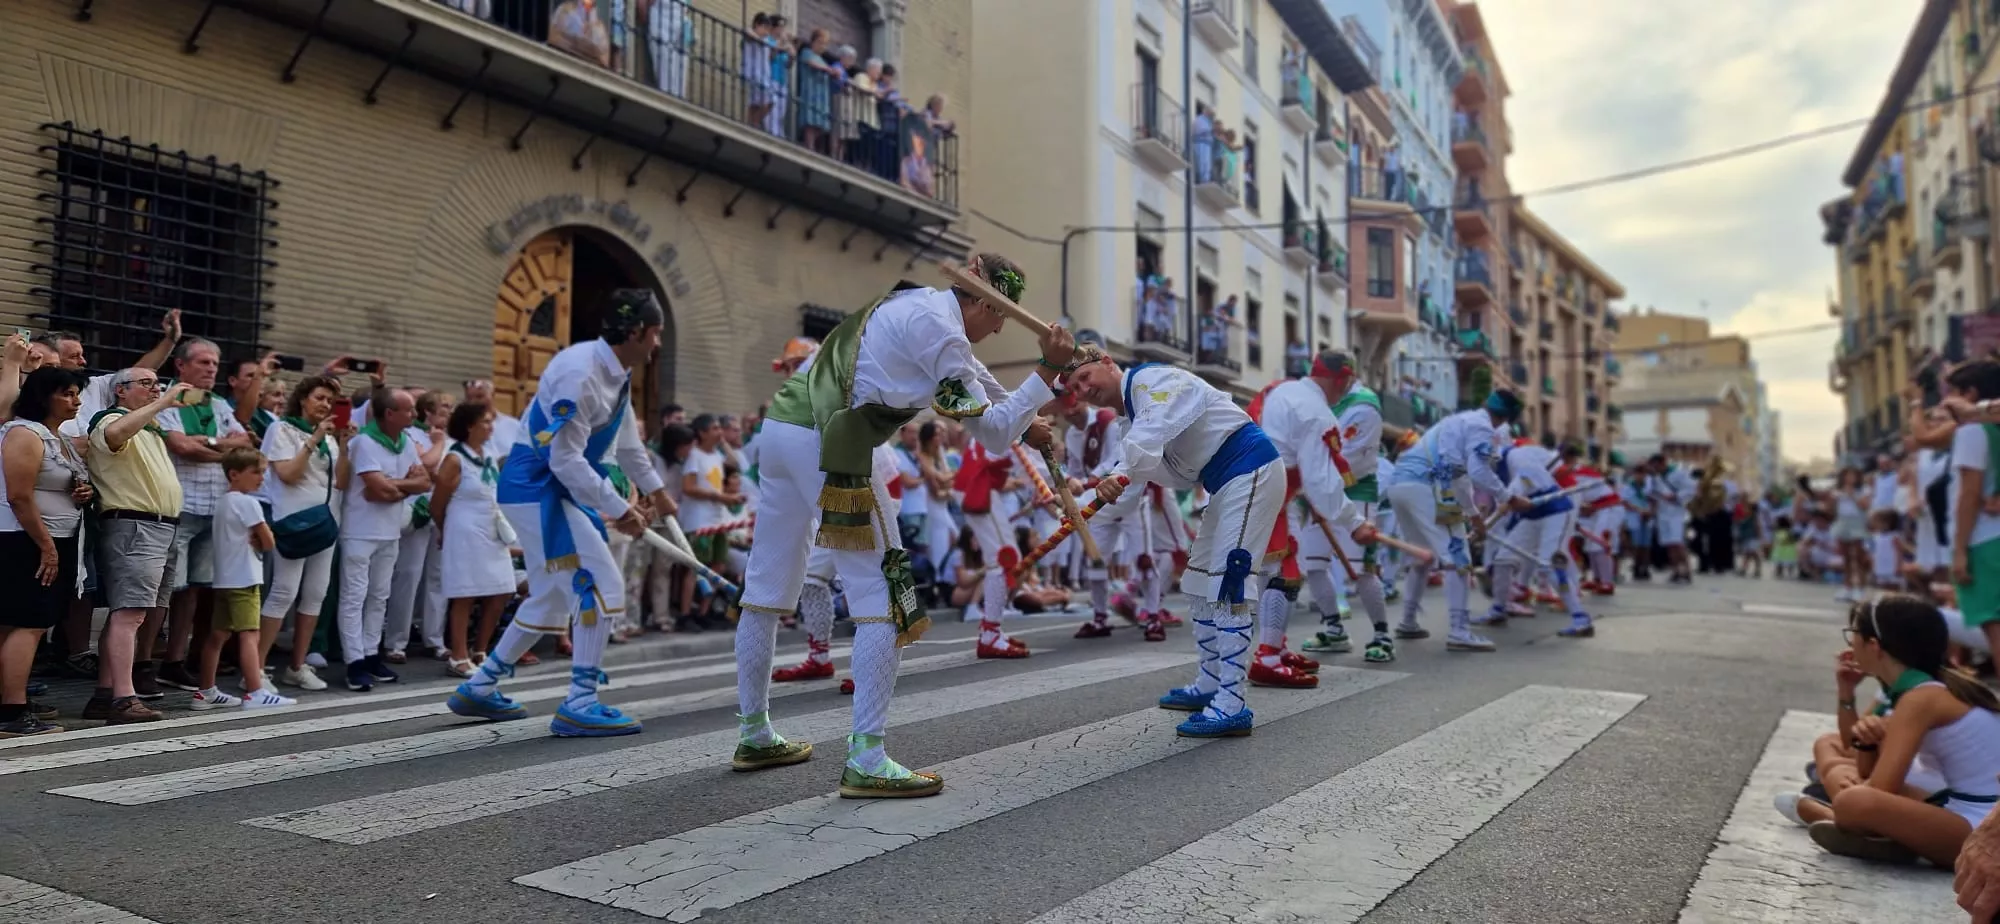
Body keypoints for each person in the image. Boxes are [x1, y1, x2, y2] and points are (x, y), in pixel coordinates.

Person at [729, 254, 1067, 798]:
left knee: (766, 586)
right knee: (886, 596)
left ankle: (754, 732)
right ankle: (867, 756)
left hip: (783, 428)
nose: (1001, 326)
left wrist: (1030, 419)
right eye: (1000, 315)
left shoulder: (915, 303)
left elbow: (992, 399)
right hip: (829, 441)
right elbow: (993, 431)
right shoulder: (944, 334)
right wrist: (1047, 370)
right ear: (983, 302)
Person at [448, 289, 673, 737]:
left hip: (552, 488)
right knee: (600, 582)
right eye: (655, 333)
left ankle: (480, 686)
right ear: (634, 332)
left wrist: (658, 493)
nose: (658, 344)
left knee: (551, 597)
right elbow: (565, 461)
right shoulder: (580, 373)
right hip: (536, 488)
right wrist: (619, 507)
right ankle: (580, 702)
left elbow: (627, 445)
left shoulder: (618, 373)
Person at [1065, 353, 1294, 737]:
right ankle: (1209, 681)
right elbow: (1129, 488)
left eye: (1085, 377)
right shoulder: (1129, 424)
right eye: (1074, 388)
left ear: (1106, 362)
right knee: (1198, 580)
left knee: (1228, 583)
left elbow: (1150, 435)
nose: (1084, 390)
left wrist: (1116, 473)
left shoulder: (1150, 381)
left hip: (1251, 468)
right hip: (1226, 482)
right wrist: (1085, 507)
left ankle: (1232, 701)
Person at [1796, 597, 2000, 868]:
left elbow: (1880, 788)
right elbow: (1873, 773)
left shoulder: (1921, 698)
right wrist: (1865, 749)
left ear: (1873, 645)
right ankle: (1887, 838)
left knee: (1853, 800)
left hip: (1983, 826)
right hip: (1964, 807)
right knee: (1845, 780)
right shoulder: (1924, 689)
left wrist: (1854, 790)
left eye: (1853, 635)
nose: (1850, 644)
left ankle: (1853, 825)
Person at [82, 372, 193, 722]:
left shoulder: (148, 428)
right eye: (145, 383)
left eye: (157, 383)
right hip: (134, 525)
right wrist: (163, 402)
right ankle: (124, 698)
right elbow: (114, 435)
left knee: (133, 612)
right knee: (130, 613)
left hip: (160, 527)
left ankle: (105, 693)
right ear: (120, 390)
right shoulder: (110, 419)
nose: (155, 387)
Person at [1384, 392, 1529, 651]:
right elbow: (1477, 471)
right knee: (1459, 558)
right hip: (1429, 487)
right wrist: (1508, 496)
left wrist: (1474, 516)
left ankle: (1408, 621)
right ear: (1506, 419)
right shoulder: (1483, 428)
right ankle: (1460, 631)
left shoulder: (1458, 421)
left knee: (1424, 557)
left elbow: (1459, 476)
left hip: (1401, 485)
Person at [155, 338, 258, 693]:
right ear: (181, 366)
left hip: (213, 508)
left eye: (215, 363)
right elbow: (181, 446)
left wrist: (208, 444)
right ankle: (142, 663)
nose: (212, 368)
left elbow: (244, 443)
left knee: (195, 591)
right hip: (180, 507)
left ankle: (174, 661)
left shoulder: (216, 403)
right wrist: (221, 446)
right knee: (167, 589)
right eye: (203, 362)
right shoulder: (167, 397)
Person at [1288, 352, 1396, 664]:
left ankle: (1381, 634)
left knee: (1360, 570)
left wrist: (1314, 479)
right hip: (1319, 493)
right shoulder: (1321, 401)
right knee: (1315, 563)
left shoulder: (1363, 406)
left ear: (1343, 378)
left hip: (1354, 491)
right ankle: (1334, 629)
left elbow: (1354, 460)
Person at [0, 368, 88, 736]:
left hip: (56, 537)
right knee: (28, 622)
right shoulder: (24, 433)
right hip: (28, 539)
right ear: (44, 396)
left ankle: (10, 699)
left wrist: (84, 492)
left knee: (23, 622)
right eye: (67, 393)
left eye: (76, 393)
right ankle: (12, 712)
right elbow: (19, 496)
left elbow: (62, 482)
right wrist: (46, 546)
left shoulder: (57, 438)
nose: (76, 400)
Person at [336, 387, 431, 692]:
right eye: (409, 410)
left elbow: (423, 482)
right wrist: (403, 486)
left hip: (390, 531)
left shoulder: (406, 442)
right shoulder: (364, 442)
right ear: (390, 414)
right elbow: (376, 490)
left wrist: (395, 484)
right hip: (359, 531)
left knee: (379, 596)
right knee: (354, 597)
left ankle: (370, 653)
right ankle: (354, 662)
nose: (414, 415)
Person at [258, 375, 344, 691]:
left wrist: (344, 447)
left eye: (330, 401)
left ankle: (297, 665)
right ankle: (254, 670)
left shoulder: (331, 439)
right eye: (320, 398)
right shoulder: (281, 429)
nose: (325, 405)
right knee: (283, 591)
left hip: (325, 524)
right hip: (292, 522)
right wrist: (314, 439)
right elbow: (288, 475)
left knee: (316, 593)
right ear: (304, 398)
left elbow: (343, 482)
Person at [191, 448, 294, 709]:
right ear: (235, 474)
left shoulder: (223, 502)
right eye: (256, 472)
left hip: (224, 579)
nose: (261, 477)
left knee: (218, 635)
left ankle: (205, 690)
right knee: (250, 634)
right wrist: (261, 541)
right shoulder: (249, 503)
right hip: (245, 579)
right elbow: (269, 541)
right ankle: (255, 691)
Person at [431, 401, 517, 678]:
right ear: (470, 426)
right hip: (464, 529)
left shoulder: (489, 452)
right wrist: (445, 530)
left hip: (491, 527)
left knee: (502, 588)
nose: (492, 427)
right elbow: (437, 504)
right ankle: (458, 656)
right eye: (486, 422)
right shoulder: (454, 459)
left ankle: (481, 649)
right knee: (465, 594)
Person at [1644, 454, 1696, 585]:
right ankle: (1676, 571)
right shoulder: (1655, 478)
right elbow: (1650, 492)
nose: (1655, 468)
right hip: (1662, 512)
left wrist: (1677, 496)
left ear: (1663, 463)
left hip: (1676, 512)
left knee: (1677, 543)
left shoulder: (1679, 474)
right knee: (1668, 544)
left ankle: (1687, 571)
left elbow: (1691, 488)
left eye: (1656, 465)